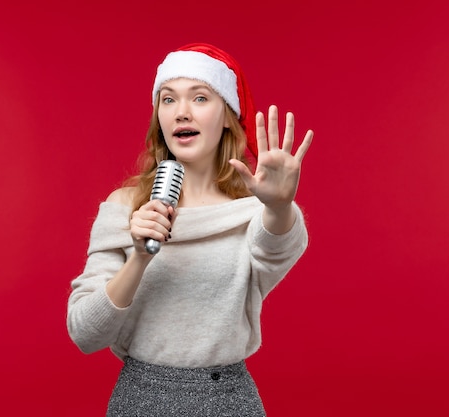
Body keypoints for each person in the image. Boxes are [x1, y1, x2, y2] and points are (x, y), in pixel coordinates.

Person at [66, 42, 313, 416]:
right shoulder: (124, 206)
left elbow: (274, 249)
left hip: (228, 401)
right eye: (168, 100)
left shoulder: (250, 212)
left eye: (199, 98)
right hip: (141, 399)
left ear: (228, 115)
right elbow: (85, 333)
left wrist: (278, 206)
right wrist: (139, 257)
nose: (182, 112)